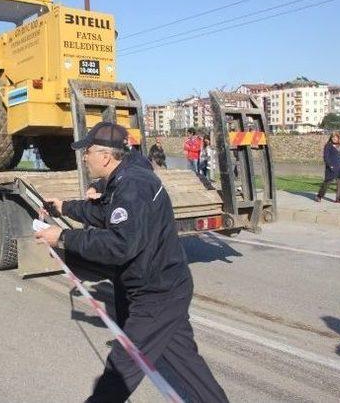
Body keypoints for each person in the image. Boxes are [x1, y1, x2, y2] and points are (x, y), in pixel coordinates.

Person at [35, 122, 227, 403]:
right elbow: (104, 213)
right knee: (187, 365)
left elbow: (119, 245)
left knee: (119, 371)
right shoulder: (126, 177)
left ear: (104, 156)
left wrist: (62, 237)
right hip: (163, 287)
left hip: (156, 295)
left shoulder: (132, 186)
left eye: (87, 152)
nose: (84, 157)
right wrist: (63, 207)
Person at [316, 131, 340, 203]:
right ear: (331, 138)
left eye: (336, 137)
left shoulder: (339, 145)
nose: (334, 138)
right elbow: (326, 157)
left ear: (338, 138)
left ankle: (339, 198)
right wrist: (330, 166)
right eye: (333, 137)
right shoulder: (328, 145)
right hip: (332, 168)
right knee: (327, 183)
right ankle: (319, 196)